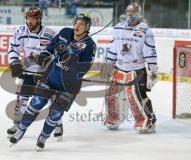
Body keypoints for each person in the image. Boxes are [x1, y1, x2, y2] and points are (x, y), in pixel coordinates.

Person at [9, 13, 96, 150]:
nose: (77, 26)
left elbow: (83, 68)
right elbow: (50, 48)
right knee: (34, 105)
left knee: (55, 114)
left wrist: (71, 54)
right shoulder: (65, 32)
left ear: (87, 28)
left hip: (68, 86)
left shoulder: (90, 45)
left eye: (81, 24)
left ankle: (43, 137)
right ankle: (20, 131)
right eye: (77, 22)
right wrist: (44, 56)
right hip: (51, 78)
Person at [103, 1, 158, 133]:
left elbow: (150, 52)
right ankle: (113, 118)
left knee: (134, 95)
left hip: (137, 70)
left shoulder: (145, 30)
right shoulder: (118, 28)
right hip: (120, 68)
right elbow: (113, 48)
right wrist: (108, 65)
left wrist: (152, 70)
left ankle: (148, 120)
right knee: (111, 94)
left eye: (133, 13)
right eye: (128, 12)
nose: (130, 15)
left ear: (139, 14)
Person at [7, 7, 58, 136]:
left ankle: (57, 123)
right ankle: (17, 123)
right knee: (22, 98)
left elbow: (58, 54)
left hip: (45, 73)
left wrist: (48, 61)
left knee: (52, 99)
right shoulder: (20, 31)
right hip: (28, 70)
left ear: (39, 19)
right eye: (28, 18)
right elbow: (13, 49)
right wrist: (14, 62)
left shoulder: (50, 34)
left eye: (33, 19)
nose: (29, 21)